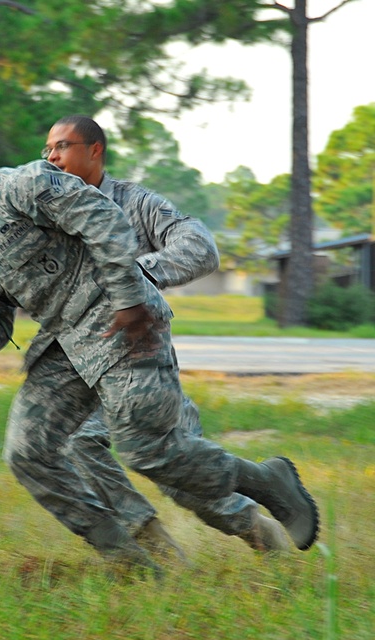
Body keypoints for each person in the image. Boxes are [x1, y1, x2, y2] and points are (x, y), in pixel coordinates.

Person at [0, 127, 319, 575]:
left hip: (120, 324)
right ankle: (133, 562)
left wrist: (128, 298)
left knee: (149, 452)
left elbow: (104, 216)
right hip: (64, 344)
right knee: (28, 453)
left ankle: (267, 483)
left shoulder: (21, 186)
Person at [43, 115, 289, 555]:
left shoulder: (135, 204)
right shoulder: (44, 210)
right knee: (76, 440)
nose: (52, 158)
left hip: (139, 358)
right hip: (76, 361)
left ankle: (261, 530)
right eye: (48, 150)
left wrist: (132, 277)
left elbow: (201, 247)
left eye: (62, 147)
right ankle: (151, 544)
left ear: (95, 150)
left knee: (178, 472)